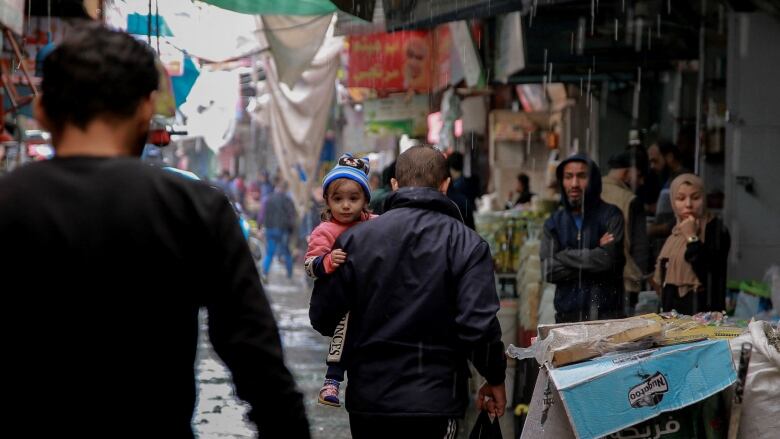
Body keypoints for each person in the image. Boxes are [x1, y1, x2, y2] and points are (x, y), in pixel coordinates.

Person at [0, 24, 309, 438]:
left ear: (41, 110)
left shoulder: (9, 202)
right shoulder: (196, 208)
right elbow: (257, 360)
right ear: (147, 108)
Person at [310, 145, 507, 439]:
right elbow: (477, 327)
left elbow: (323, 318)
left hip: (370, 402)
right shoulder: (468, 244)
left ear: (394, 185)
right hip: (436, 402)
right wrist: (495, 377)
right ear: (445, 185)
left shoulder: (355, 241)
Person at [302, 154, 376, 408]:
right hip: (336, 301)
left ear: (365, 200)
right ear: (327, 202)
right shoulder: (324, 232)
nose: (346, 206)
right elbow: (310, 266)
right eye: (338, 199)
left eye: (353, 199)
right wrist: (329, 261)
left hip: (369, 297)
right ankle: (332, 380)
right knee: (347, 322)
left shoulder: (376, 224)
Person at [541, 154, 626, 323]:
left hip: (607, 317)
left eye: (581, 176)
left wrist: (563, 256)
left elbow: (608, 261)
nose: (574, 184)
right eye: (568, 177)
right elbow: (548, 270)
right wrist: (594, 257)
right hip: (567, 318)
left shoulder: (611, 215)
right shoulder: (554, 223)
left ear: (593, 180)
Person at [653, 174, 730, 315]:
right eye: (680, 198)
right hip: (673, 315)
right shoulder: (675, 231)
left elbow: (709, 272)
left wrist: (691, 236)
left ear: (704, 199)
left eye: (695, 198)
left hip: (703, 314)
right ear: (672, 202)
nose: (688, 204)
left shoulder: (716, 229)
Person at [602, 151, 651, 312]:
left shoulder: (589, 192)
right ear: (628, 172)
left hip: (593, 280)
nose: (642, 182)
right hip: (624, 281)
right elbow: (640, 248)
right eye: (641, 175)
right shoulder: (629, 199)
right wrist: (642, 277)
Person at [262, 179, 297, 279]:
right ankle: (289, 275)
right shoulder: (288, 200)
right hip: (283, 230)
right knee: (286, 252)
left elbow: (264, 213)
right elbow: (292, 216)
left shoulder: (269, 198)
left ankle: (264, 273)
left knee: (269, 252)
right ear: (286, 189)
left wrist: (263, 226)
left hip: (270, 229)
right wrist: (291, 229)